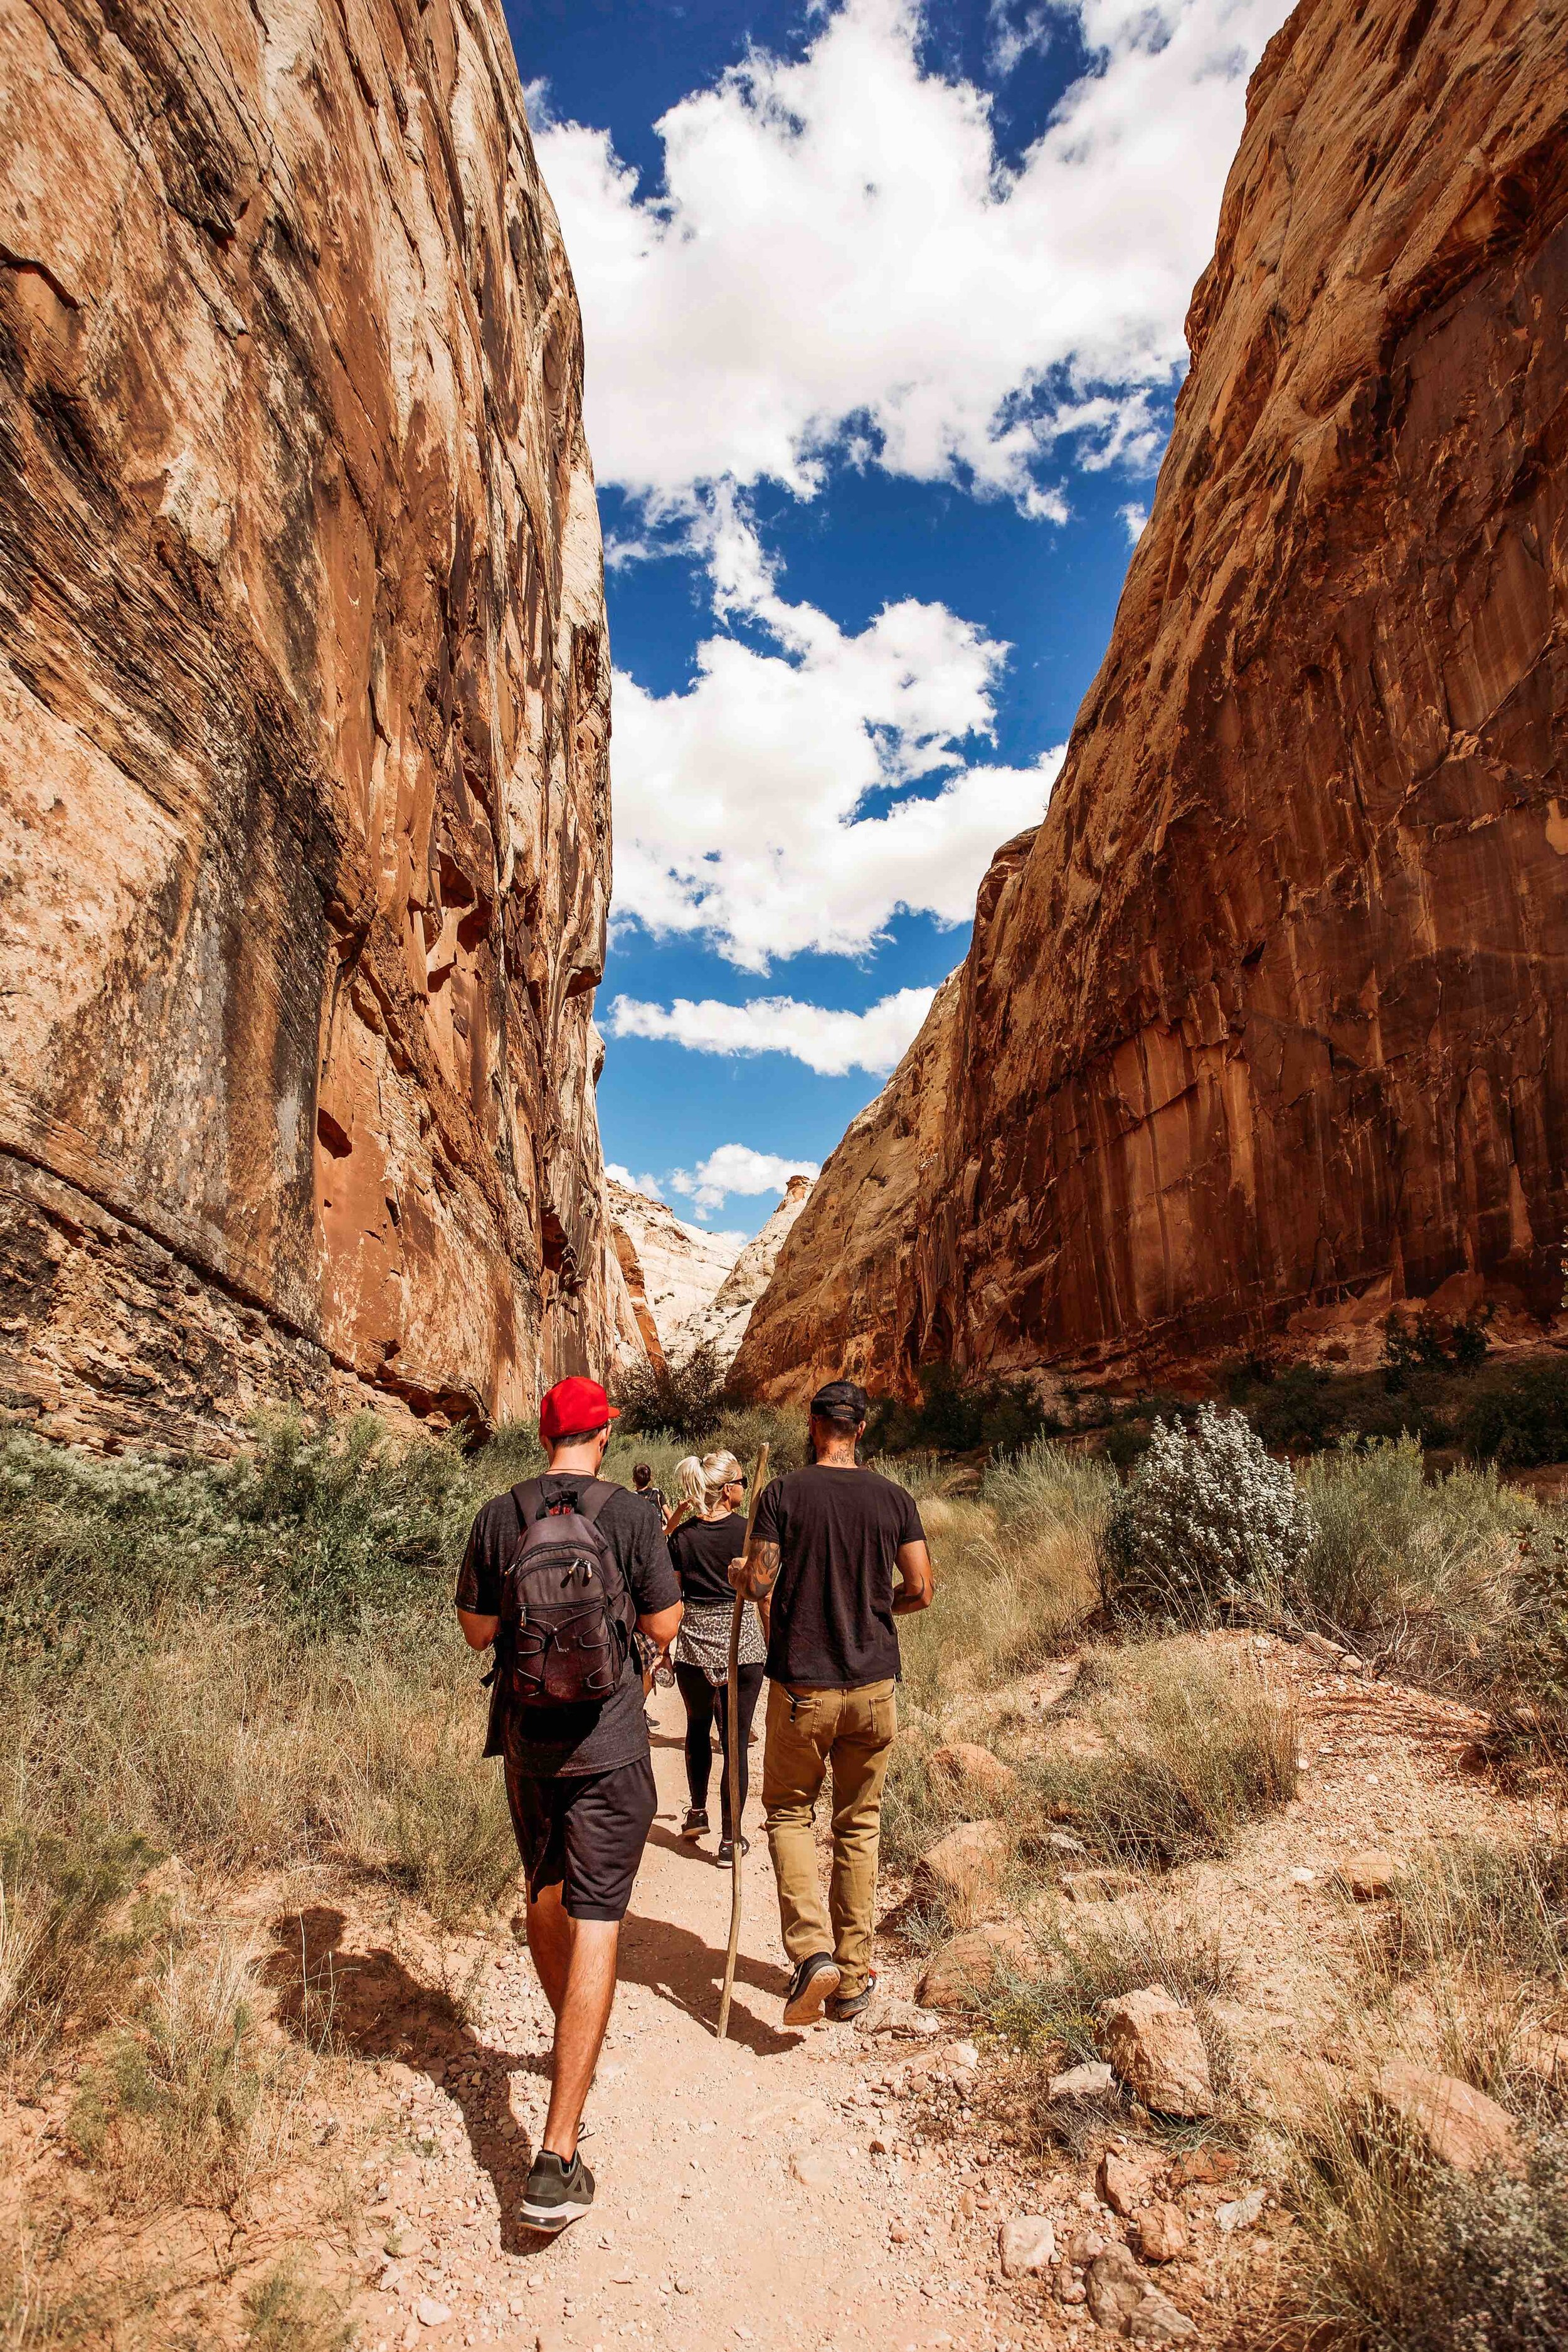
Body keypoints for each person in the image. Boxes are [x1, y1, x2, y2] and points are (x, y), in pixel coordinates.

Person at [455, 1375, 682, 2232]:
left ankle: (570, 2039)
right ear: (604, 1434)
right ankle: (555, 2155)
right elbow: (664, 1628)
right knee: (597, 1916)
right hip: (612, 1742)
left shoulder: (497, 1513)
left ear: (544, 1435)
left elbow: (478, 1630)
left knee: (545, 1894)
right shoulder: (629, 1515)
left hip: (525, 1744)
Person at [731, 1380, 934, 2026]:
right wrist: (881, 1609)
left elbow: (759, 1581)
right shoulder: (894, 1499)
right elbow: (922, 1589)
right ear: (861, 1431)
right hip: (874, 1687)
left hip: (803, 1687)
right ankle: (851, 1977)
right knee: (858, 1825)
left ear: (813, 1424)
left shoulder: (783, 1495)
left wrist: (741, 1575)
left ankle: (812, 1952)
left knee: (790, 1814)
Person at [667, 1451, 766, 1863]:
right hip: (740, 1644)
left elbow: (672, 1596)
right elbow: (762, 1595)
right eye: (740, 1482)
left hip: (692, 1642)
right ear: (728, 1490)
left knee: (696, 1727)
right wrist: (774, 1646)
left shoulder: (682, 1537)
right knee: (735, 1741)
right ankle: (731, 1838)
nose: (744, 1488)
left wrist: (662, 1649)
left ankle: (696, 1811)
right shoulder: (749, 1535)